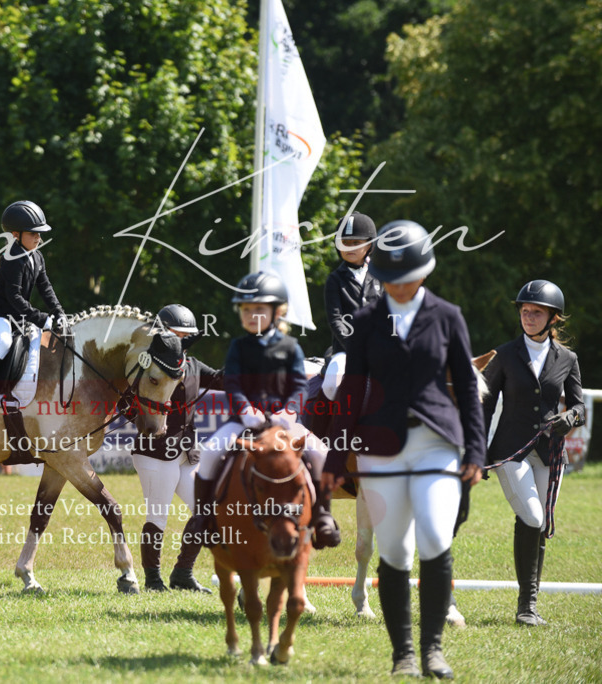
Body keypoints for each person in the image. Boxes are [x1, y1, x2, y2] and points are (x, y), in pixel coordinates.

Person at [322, 220, 485, 680]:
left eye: (405, 276)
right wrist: (336, 457)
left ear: (424, 272)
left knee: (434, 537)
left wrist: (475, 448)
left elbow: (468, 391)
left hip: (436, 442)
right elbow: (351, 388)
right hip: (380, 445)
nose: (396, 285)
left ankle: (433, 648)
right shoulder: (367, 321)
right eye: (390, 277)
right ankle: (404, 654)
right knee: (393, 551)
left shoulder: (448, 316)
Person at [186, 271, 341, 553]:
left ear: (277, 311)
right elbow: (232, 384)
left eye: (258, 309)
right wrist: (245, 410)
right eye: (246, 310)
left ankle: (322, 516)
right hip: (245, 422)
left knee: (321, 453)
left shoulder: (291, 347)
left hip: (284, 422)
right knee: (209, 453)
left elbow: (298, 386)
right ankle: (203, 519)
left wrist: (290, 411)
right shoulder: (238, 348)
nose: (251, 315)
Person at [482, 279, 584, 626]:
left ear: (553, 317)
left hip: (549, 451)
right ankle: (527, 606)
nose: (528, 316)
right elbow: (484, 405)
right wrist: (476, 452)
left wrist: (570, 416)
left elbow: (579, 406)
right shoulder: (504, 354)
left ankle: (528, 606)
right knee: (532, 517)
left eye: (536, 312)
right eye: (524, 311)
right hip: (511, 451)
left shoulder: (567, 358)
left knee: (537, 525)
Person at [131, 304, 222, 592]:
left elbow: (223, 379)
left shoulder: (192, 365)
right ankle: (153, 579)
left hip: (186, 453)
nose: (181, 340)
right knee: (158, 515)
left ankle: (182, 574)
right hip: (154, 451)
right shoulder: (145, 365)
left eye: (186, 335)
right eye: (176, 334)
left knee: (206, 509)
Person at [0, 200, 66, 406]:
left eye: (39, 234)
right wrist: (42, 318)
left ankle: (9, 390)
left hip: (15, 316)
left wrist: (58, 312)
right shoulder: (12, 259)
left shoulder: (37, 257)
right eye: (33, 234)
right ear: (16, 234)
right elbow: (14, 296)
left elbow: (46, 287)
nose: (38, 238)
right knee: (4, 342)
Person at [321, 211, 382, 402]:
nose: (350, 247)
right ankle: (324, 429)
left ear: (369, 245)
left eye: (356, 243)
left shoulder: (381, 277)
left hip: (379, 346)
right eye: (345, 243)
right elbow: (336, 319)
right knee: (331, 384)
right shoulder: (334, 280)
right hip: (345, 351)